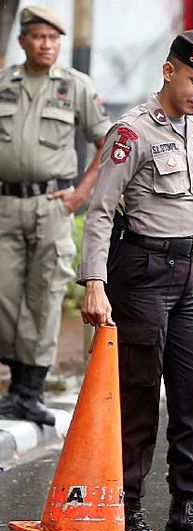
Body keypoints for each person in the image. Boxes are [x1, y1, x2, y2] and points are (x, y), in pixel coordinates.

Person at [78, 31, 193, 531]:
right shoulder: (132, 132)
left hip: (187, 277)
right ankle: (127, 515)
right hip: (141, 275)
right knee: (139, 398)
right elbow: (102, 211)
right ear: (169, 71)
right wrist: (95, 284)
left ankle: (186, 513)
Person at [0, 6, 110, 425]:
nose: (47, 45)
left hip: (52, 205)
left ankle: (30, 390)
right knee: (6, 295)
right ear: (23, 40)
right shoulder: (4, 84)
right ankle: (16, 382)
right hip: (6, 206)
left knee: (45, 293)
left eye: (54, 38)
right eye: (39, 37)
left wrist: (80, 194)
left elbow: (106, 141)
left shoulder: (75, 86)